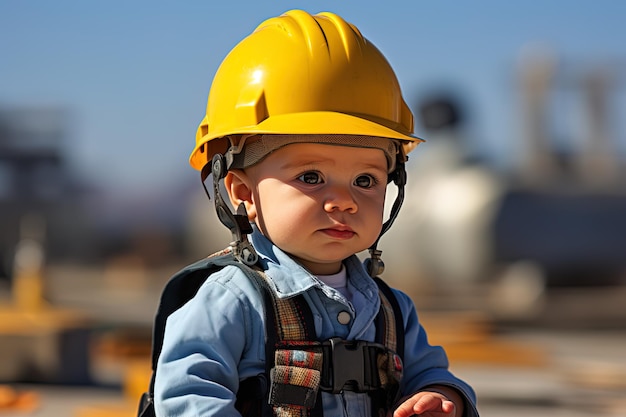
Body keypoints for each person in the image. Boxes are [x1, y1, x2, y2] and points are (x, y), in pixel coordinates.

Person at [153, 9, 479, 417]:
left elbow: (430, 371)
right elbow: (187, 397)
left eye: (365, 180)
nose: (343, 201)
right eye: (311, 176)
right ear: (242, 192)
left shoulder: (391, 310)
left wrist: (442, 396)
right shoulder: (234, 301)